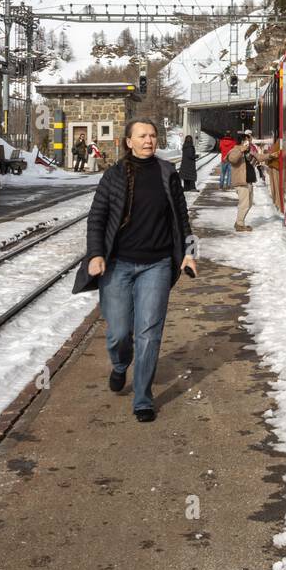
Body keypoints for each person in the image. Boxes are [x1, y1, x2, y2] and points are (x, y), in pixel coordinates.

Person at [82, 118, 198, 422]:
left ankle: (143, 398)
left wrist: (189, 253)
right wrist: (96, 254)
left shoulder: (167, 172)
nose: (149, 140)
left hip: (157, 265)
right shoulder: (114, 175)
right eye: (142, 136)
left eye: (153, 135)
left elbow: (182, 218)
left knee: (149, 333)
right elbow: (97, 218)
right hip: (118, 264)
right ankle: (120, 365)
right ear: (128, 142)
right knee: (119, 333)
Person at [228, 131, 269, 232]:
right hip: (241, 182)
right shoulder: (236, 150)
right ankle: (239, 224)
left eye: (248, 140)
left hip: (248, 181)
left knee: (249, 204)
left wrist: (271, 156)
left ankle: (239, 222)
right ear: (241, 141)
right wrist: (241, 150)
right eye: (246, 140)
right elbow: (232, 159)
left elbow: (258, 157)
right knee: (244, 204)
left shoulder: (248, 151)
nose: (248, 142)